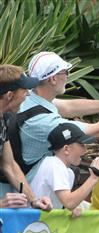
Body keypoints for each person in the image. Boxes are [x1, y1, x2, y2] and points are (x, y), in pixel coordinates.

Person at [12, 51, 99, 189]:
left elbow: (69, 106)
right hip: (30, 195)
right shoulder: (43, 121)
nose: (67, 76)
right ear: (53, 79)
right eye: (65, 72)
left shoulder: (30, 98)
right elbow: (98, 129)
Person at [0, 64, 52, 210]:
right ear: (10, 95)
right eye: (24, 91)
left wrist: (34, 199)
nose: (28, 95)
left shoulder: (4, 119)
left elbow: (9, 165)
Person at [30, 122, 99, 211]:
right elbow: (69, 202)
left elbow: (66, 203)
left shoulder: (67, 171)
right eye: (82, 145)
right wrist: (93, 178)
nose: (85, 150)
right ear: (66, 149)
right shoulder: (55, 165)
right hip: (35, 222)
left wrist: (71, 208)